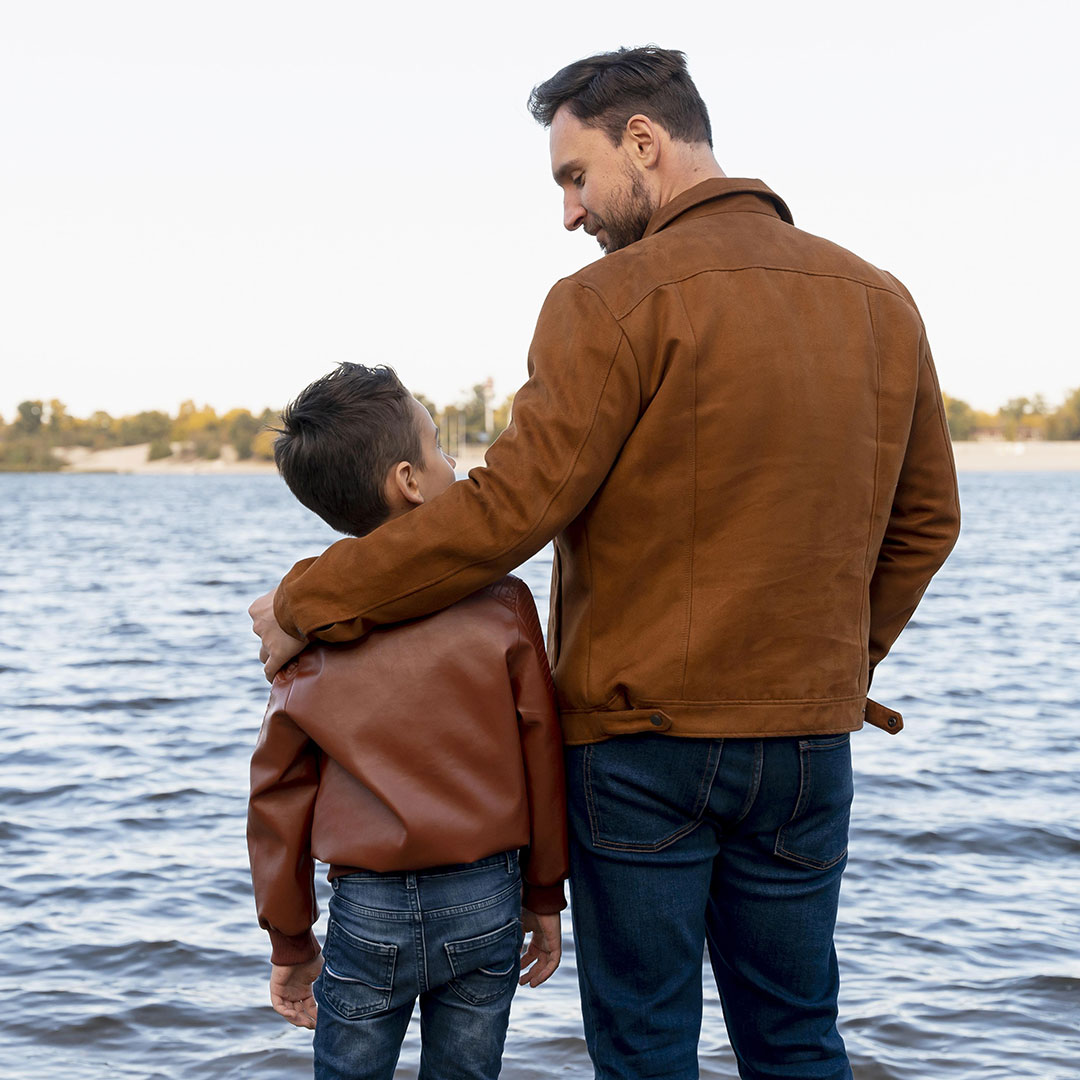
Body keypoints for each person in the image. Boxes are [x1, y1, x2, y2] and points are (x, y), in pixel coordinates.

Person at [250, 47, 961, 1080]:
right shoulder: (882, 299)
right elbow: (928, 521)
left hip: (644, 748)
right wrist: (832, 664)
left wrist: (307, 599)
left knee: (643, 1047)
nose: (570, 215)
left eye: (573, 177)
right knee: (798, 1036)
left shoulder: (609, 302)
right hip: (808, 738)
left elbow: (508, 513)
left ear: (645, 140)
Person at [247, 363, 568, 1080]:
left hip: (369, 908)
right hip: (487, 895)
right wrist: (545, 892)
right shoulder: (503, 602)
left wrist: (290, 941)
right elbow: (543, 752)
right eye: (439, 447)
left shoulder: (310, 624)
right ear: (409, 481)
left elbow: (278, 794)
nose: (456, 462)